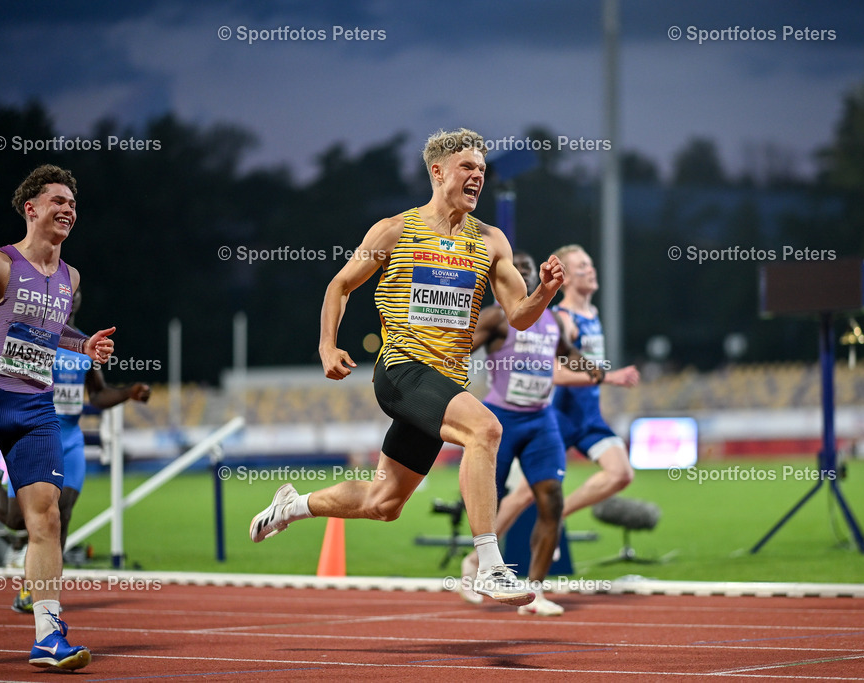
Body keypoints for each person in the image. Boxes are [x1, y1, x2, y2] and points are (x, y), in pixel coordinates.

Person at [249, 128, 564, 606]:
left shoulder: (492, 241)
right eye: (467, 167)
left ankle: (293, 506)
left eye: (481, 168)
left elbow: (518, 314)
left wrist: (543, 291)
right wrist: (327, 346)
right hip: (400, 371)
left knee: (384, 503)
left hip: (443, 384)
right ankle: (490, 566)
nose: (477, 175)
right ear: (437, 173)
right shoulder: (394, 230)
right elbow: (340, 285)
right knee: (486, 429)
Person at [0, 164, 116, 671]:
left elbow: (54, 332)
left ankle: (48, 636)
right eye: (58, 200)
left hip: (35, 409)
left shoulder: (70, 278)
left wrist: (83, 343)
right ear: (31, 209)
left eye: (73, 203)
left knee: (46, 517)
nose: (68, 209)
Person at [0, 287, 151, 613]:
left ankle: (36, 591)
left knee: (60, 514)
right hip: (33, 434)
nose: (70, 297)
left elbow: (97, 396)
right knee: (16, 519)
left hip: (69, 439)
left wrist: (130, 392)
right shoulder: (33, 335)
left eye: (74, 294)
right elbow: (0, 371)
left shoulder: (84, 344)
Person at [457, 250, 605, 616]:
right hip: (501, 418)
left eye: (526, 269)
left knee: (551, 501)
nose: (521, 275)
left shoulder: (551, 318)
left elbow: (565, 351)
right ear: (500, 280)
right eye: (514, 270)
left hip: (542, 421)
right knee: (487, 499)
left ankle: (535, 592)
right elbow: (458, 351)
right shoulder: (495, 317)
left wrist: (592, 367)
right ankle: (474, 566)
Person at [488, 245, 640, 552]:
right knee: (524, 495)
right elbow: (552, 372)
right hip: (558, 414)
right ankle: (478, 557)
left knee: (621, 474)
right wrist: (610, 377)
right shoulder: (561, 318)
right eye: (582, 266)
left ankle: (558, 515)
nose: (591, 269)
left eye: (591, 263)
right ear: (566, 278)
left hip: (589, 416)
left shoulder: (593, 315)